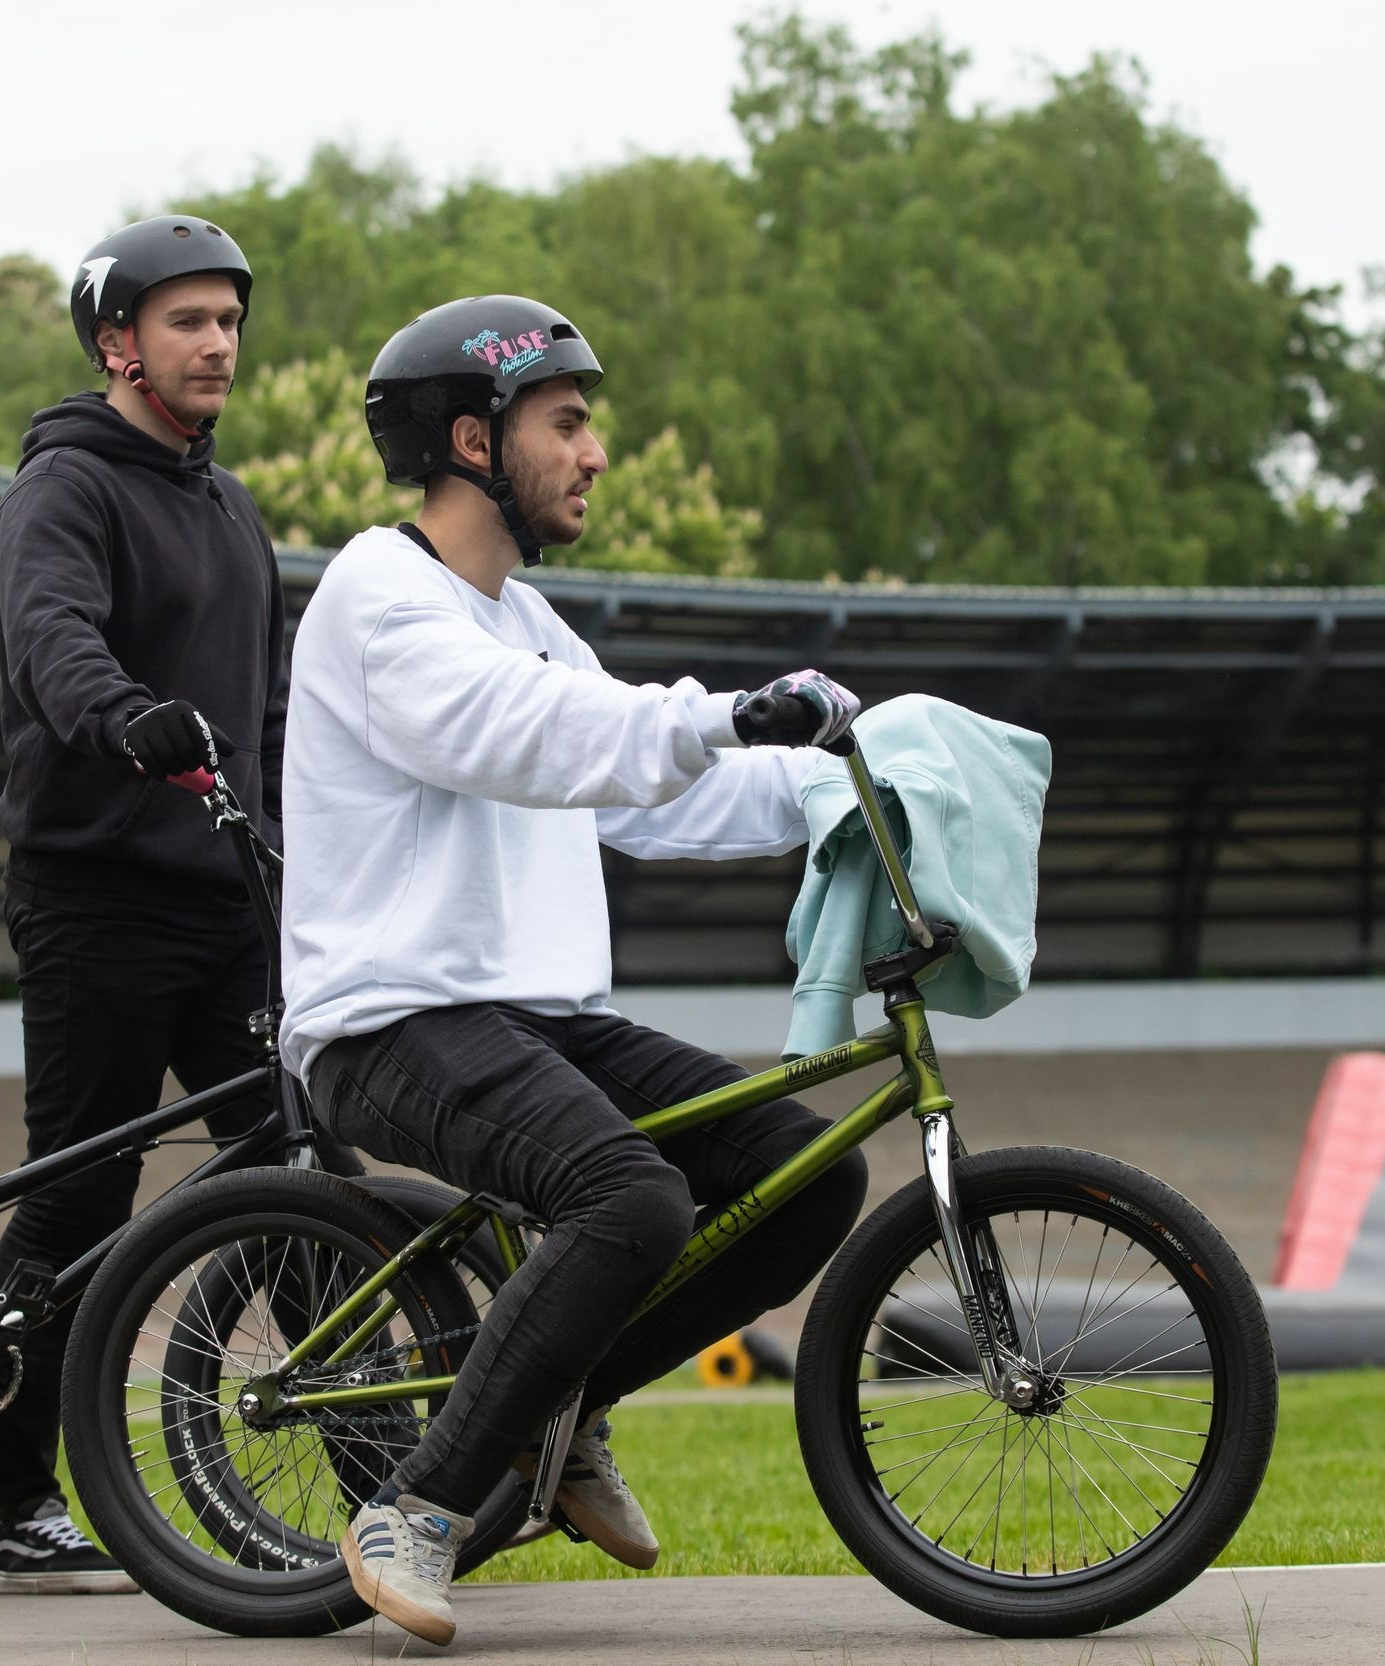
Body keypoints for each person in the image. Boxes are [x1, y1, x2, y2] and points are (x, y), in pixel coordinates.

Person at [278, 294, 870, 1647]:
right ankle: (414, 1507)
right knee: (630, 1195)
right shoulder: (380, 596)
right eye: (568, 423)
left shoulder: (531, 619)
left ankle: (562, 1405)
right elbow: (531, 732)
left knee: (806, 1171)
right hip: (393, 1017)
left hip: (535, 1019)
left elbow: (652, 790)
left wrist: (840, 780)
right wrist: (722, 711)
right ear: (472, 440)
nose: (595, 453)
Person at [0, 214, 288, 1594]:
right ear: (119, 343)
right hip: (95, 895)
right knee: (80, 1195)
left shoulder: (232, 508)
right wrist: (126, 717)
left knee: (291, 1173)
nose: (218, 344)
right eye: (187, 322)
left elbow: (268, 714)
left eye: (230, 321)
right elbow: (51, 643)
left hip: (228, 905)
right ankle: (9, 1506)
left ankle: (387, 1474)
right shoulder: (64, 488)